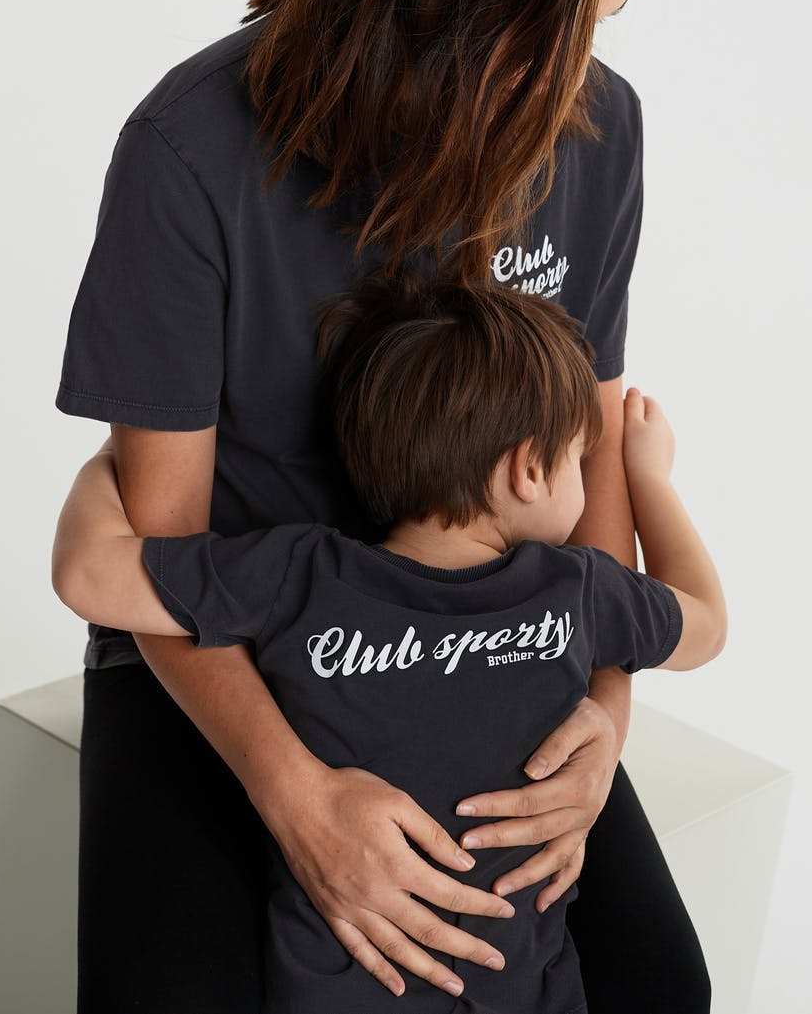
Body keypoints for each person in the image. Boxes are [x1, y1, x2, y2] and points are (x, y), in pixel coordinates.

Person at [53, 0, 713, 1012]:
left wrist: (602, 713)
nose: (572, 78)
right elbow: (162, 547)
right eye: (549, 35)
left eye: (599, 30)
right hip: (230, 630)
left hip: (486, 630)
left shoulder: (595, 128)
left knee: (658, 988)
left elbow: (589, 444)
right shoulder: (190, 151)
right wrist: (297, 795)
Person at [52, 270, 727, 1013]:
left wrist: (112, 462)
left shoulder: (300, 574)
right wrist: (650, 476)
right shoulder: (577, 593)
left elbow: (86, 574)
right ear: (530, 469)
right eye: (577, 458)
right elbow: (705, 623)